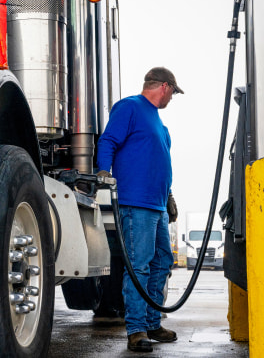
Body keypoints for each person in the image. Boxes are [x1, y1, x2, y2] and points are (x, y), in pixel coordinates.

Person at [96, 67, 181, 352]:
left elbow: (161, 164)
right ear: (165, 87)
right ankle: (136, 330)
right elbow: (108, 140)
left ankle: (152, 322)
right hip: (136, 203)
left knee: (162, 263)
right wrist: (104, 172)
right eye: (173, 93)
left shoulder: (161, 125)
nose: (172, 98)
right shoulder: (130, 107)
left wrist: (168, 195)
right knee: (139, 265)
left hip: (156, 205)